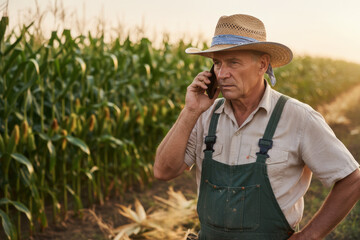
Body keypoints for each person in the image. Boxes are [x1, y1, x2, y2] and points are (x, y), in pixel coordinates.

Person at [154, 14, 360, 240]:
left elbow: (351, 179)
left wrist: (308, 236)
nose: (222, 74)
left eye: (233, 62)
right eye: (217, 63)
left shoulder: (298, 118)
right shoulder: (204, 116)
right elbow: (163, 171)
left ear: (262, 64)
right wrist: (190, 111)